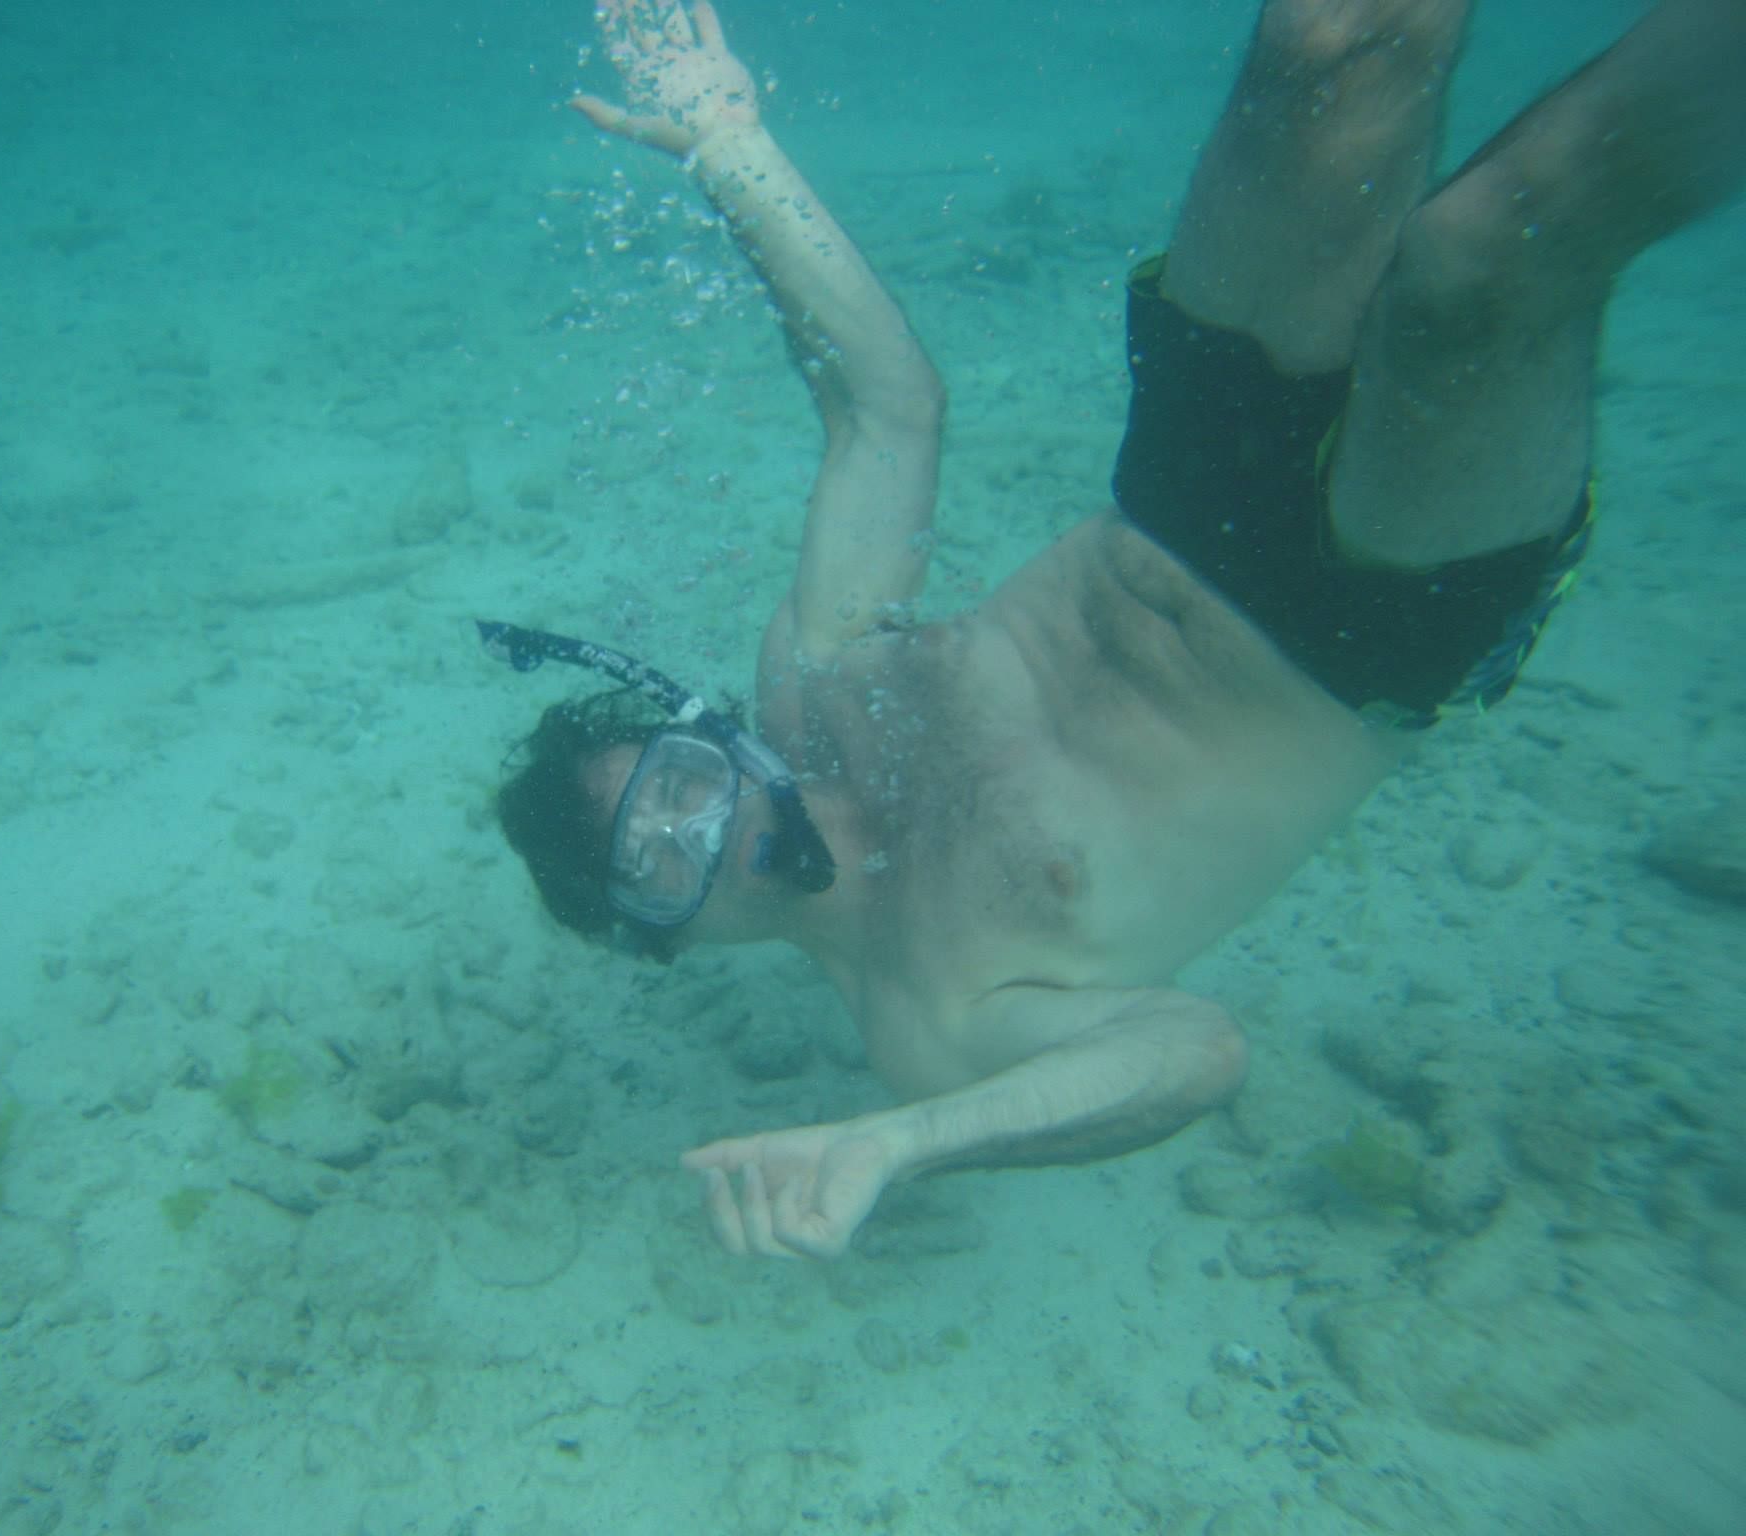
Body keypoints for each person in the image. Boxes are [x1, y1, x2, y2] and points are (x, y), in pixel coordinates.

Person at [484, 0, 1746, 1259]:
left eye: (678, 785)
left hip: (1182, 489)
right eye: (658, 861)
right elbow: (1188, 1052)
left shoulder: (812, 684)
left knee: (1330, 42)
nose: (706, 829)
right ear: (668, 937)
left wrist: (726, 146)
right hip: (1361, 641)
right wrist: (898, 1141)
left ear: (707, 737)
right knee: (1484, 255)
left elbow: (884, 410)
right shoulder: (922, 1019)